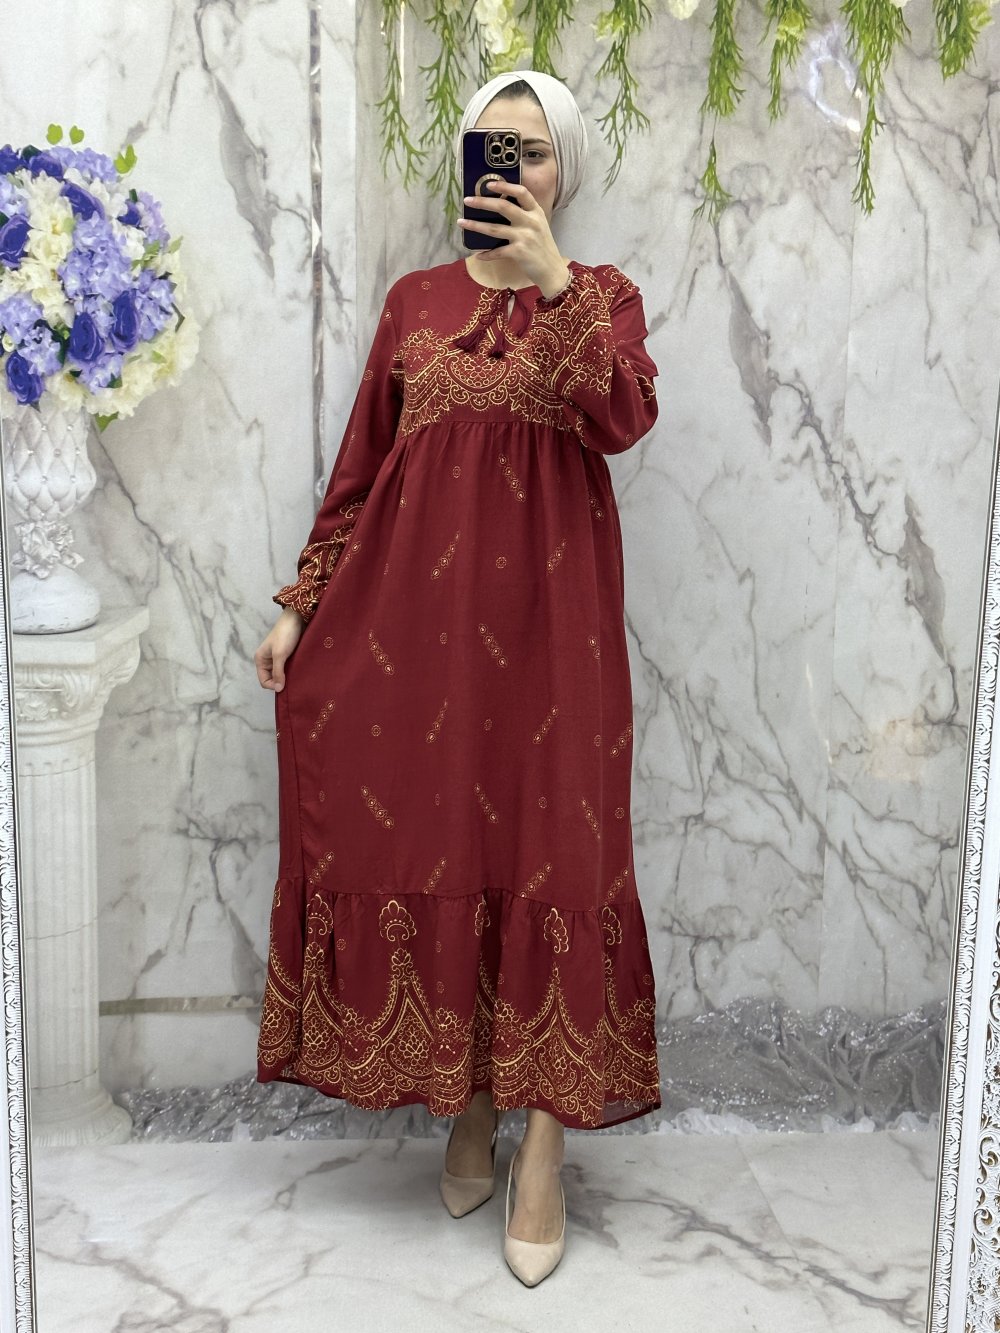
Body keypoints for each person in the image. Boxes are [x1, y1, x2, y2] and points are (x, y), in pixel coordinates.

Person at [253, 69, 661, 1287]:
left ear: (563, 171)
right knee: (448, 852)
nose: (514, 166)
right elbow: (361, 471)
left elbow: (623, 416)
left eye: (534, 150)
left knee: (556, 860)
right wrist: (300, 608)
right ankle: (470, 1105)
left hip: (556, 642)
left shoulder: (602, 297)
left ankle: (543, 1149)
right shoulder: (414, 303)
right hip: (418, 644)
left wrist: (552, 282)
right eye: (495, 145)